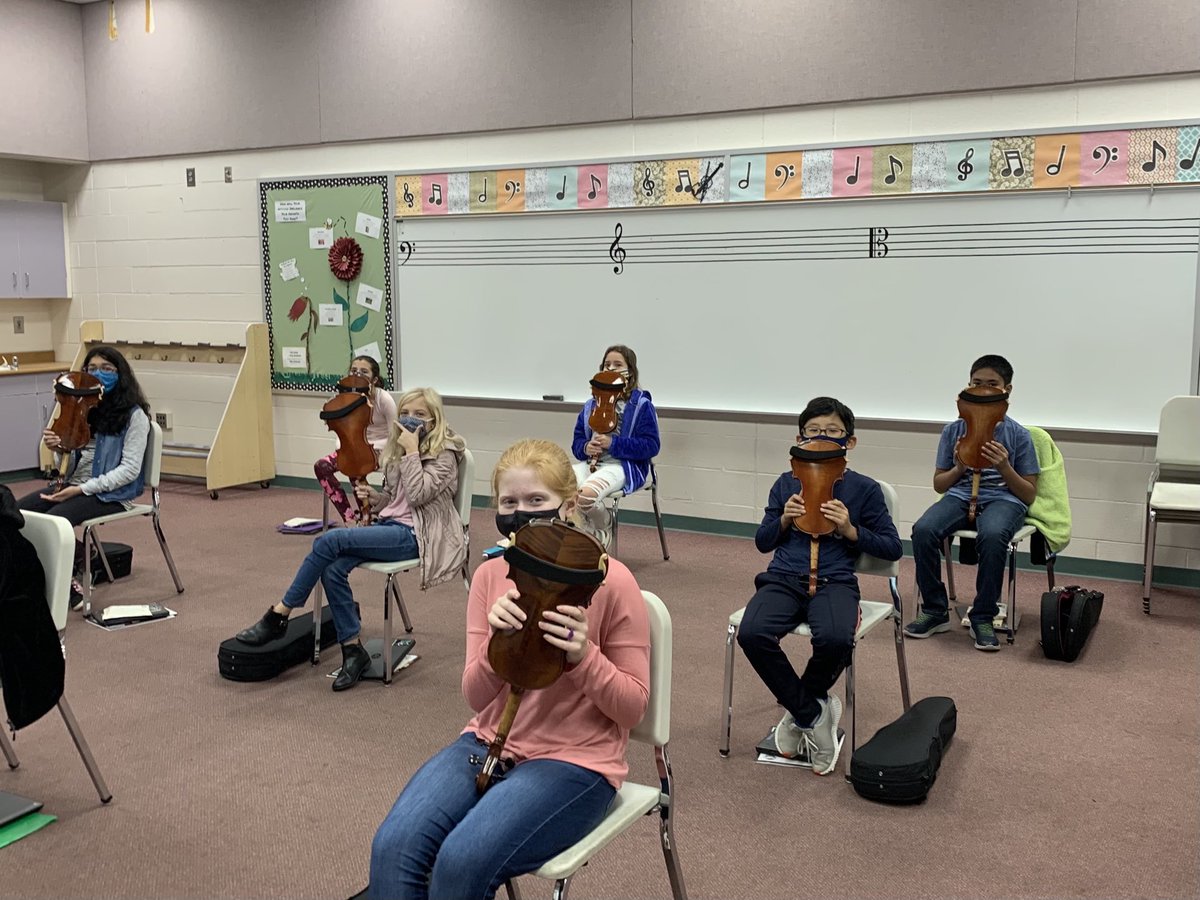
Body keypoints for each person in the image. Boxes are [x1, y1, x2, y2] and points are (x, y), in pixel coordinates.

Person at [368, 439, 650, 899]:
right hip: (487, 742)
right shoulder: (489, 576)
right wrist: (498, 650)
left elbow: (634, 708)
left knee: (461, 862)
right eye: (509, 502)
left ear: (569, 503)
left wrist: (583, 657)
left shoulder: (613, 581)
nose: (522, 513)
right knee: (393, 848)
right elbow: (476, 699)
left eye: (537, 501)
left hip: (576, 761)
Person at [236, 387, 466, 691]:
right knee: (332, 569)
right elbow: (396, 499)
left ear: (434, 420)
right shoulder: (400, 450)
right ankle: (352, 649)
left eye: (420, 414)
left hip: (417, 536)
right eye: (406, 413)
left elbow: (419, 494)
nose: (410, 419)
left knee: (328, 541)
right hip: (391, 526)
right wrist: (376, 497)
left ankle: (280, 614)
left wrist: (411, 452)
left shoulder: (444, 453)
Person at [737, 397, 901, 775]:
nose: (822, 438)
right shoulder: (786, 483)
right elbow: (763, 541)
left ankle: (799, 714)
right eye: (813, 432)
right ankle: (812, 714)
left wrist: (850, 530)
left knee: (836, 639)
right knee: (752, 632)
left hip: (835, 581)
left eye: (832, 432)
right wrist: (782, 521)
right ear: (798, 439)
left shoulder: (864, 489)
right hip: (783, 579)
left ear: (851, 442)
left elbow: (892, 548)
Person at [904, 354, 1039, 651]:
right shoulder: (954, 430)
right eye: (977, 383)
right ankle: (935, 610)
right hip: (959, 495)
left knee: (993, 536)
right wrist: (959, 468)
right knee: (924, 530)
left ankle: (983, 616)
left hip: (1004, 499)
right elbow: (939, 484)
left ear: (1007, 390)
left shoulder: (1019, 435)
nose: (984, 389)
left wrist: (1004, 466)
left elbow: (1028, 493)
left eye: (992, 384)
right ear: (967, 387)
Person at [19, 345, 152, 608]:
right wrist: (58, 450)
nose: (98, 374)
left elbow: (129, 471)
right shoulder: (81, 409)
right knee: (15, 514)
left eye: (106, 369)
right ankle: (81, 553)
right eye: (91, 369)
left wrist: (82, 489)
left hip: (110, 493)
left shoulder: (134, 416)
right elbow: (66, 469)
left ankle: (68, 589)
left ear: (120, 374)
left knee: (54, 522)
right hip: (72, 484)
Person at [570, 344, 660, 548]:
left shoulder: (641, 405)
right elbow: (576, 443)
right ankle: (588, 536)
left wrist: (614, 443)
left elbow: (651, 446)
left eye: (618, 364)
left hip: (623, 467)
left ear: (630, 372)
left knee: (585, 497)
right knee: (556, 485)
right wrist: (585, 448)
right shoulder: (590, 406)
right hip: (592, 465)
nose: (611, 368)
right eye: (607, 364)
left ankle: (603, 525)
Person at [314, 356, 397, 523]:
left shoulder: (384, 399)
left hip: (382, 449)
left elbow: (395, 433)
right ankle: (349, 518)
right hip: (354, 448)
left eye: (364, 372)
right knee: (322, 466)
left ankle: (367, 515)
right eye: (353, 371)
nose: (357, 374)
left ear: (374, 379)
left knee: (356, 463)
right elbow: (343, 433)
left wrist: (389, 455)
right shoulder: (345, 399)